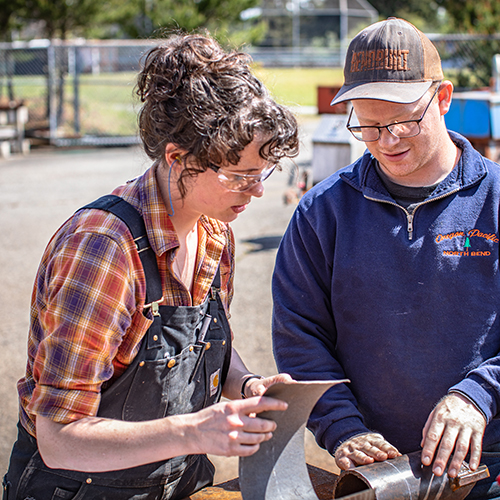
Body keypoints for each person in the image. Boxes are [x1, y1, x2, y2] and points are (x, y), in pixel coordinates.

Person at [3, 32, 299, 500]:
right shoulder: (103, 251)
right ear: (177, 157)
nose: (257, 190)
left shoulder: (214, 232)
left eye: (261, 172)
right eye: (239, 176)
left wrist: (245, 384)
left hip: (180, 483)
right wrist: (193, 433)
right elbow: (60, 439)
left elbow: (198, 347)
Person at [272, 17, 500, 499]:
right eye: (368, 125)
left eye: (404, 122)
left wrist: (478, 395)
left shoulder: (496, 200)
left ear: (443, 99)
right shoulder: (322, 212)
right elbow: (300, 335)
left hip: (491, 463)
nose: (387, 141)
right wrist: (343, 429)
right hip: (378, 475)